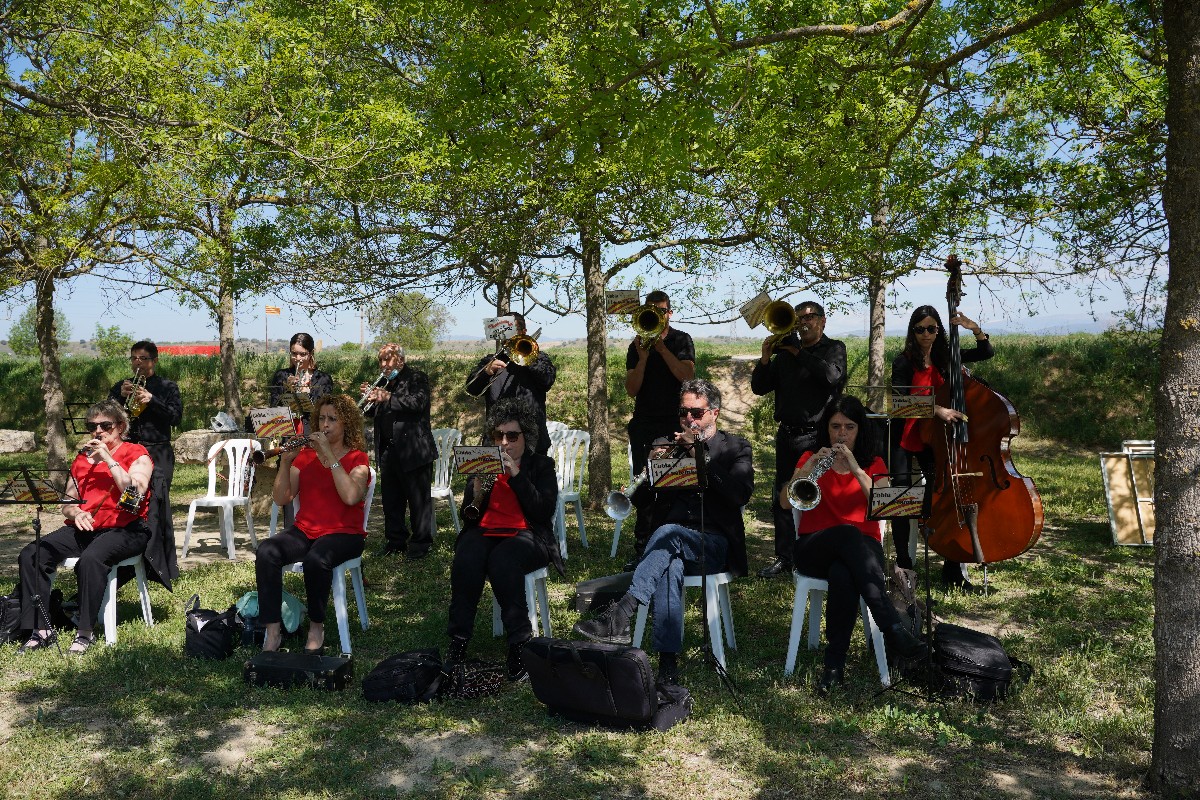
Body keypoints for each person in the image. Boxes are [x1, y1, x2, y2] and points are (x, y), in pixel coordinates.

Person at [573, 379, 751, 685]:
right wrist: (647, 475)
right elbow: (643, 502)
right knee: (670, 563)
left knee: (670, 534)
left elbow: (739, 494)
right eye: (683, 412)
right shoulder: (665, 444)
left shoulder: (735, 447)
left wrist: (699, 455)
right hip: (668, 546)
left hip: (713, 544)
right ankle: (668, 665)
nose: (689, 419)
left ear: (714, 413)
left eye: (696, 413)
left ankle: (622, 613)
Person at [785, 395, 928, 692]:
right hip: (814, 547)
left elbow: (884, 506)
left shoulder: (874, 463)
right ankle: (892, 627)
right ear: (826, 428)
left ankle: (833, 667)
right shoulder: (811, 458)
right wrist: (809, 465)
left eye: (849, 427)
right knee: (849, 534)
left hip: (863, 552)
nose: (842, 434)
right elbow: (786, 503)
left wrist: (855, 468)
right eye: (835, 426)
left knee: (843, 573)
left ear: (860, 430)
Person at [15, 400, 155, 654]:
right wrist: (77, 512)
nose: (98, 431)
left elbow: (135, 493)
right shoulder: (81, 459)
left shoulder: (137, 453)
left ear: (120, 426)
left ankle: (85, 632)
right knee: (32, 553)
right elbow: (68, 503)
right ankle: (40, 629)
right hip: (85, 528)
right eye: (92, 426)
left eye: (105, 425)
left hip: (126, 528)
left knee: (91, 559)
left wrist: (109, 459)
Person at [444, 398, 561, 682]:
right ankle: (458, 641)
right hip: (485, 530)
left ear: (526, 436)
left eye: (512, 436)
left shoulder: (542, 465)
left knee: (503, 560)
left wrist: (516, 475)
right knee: (467, 557)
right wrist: (475, 491)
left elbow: (543, 511)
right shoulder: (485, 463)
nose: (505, 442)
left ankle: (519, 644)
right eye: (499, 436)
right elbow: (470, 515)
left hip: (528, 534)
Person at [255, 394, 371, 653]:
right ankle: (273, 631)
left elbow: (351, 496)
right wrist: (286, 462)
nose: (325, 424)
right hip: (306, 530)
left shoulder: (358, 458)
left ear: (346, 423)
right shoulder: (306, 456)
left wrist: (328, 454)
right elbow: (281, 498)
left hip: (346, 533)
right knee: (267, 551)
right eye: (321, 418)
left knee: (316, 560)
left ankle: (316, 626)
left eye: (333, 419)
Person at [890, 305, 994, 592]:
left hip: (937, 438)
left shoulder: (947, 356)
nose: (926, 334)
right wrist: (936, 409)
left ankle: (952, 568)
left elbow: (986, 353)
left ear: (939, 330)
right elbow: (898, 402)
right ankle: (904, 565)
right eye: (920, 329)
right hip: (906, 435)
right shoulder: (903, 362)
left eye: (931, 328)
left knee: (948, 497)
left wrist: (975, 329)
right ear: (912, 331)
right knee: (901, 496)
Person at [750, 300, 847, 578]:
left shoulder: (834, 348)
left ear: (822, 321)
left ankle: (816, 554)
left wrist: (797, 351)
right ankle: (784, 557)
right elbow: (759, 387)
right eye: (799, 318)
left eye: (809, 317)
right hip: (788, 434)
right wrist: (765, 358)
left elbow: (831, 377)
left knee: (816, 496)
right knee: (783, 494)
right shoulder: (785, 356)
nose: (804, 323)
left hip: (817, 437)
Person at [623, 290, 696, 563]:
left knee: (671, 484)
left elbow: (687, 377)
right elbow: (632, 389)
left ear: (670, 313)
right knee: (643, 486)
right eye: (651, 310)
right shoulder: (636, 345)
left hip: (673, 422)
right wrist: (643, 357)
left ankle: (670, 545)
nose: (657, 315)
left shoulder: (681, 339)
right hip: (644, 422)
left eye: (661, 310)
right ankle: (642, 548)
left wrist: (662, 348)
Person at [107, 340, 181, 591]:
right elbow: (106, 416)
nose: (137, 363)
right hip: (129, 451)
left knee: (157, 505)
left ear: (154, 360)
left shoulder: (167, 387)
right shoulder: (122, 386)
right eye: (134, 358)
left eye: (143, 358)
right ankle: (130, 558)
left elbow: (176, 417)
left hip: (157, 450)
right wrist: (119, 397)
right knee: (130, 503)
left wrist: (152, 400)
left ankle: (161, 564)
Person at [361, 344, 437, 559]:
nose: (383, 364)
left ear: (400, 360)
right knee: (391, 500)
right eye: (381, 360)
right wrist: (369, 399)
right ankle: (395, 542)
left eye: (388, 359)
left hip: (414, 449)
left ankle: (420, 544)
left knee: (418, 500)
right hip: (388, 449)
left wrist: (387, 397)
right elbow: (372, 414)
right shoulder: (383, 382)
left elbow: (417, 403)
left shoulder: (416, 377)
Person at [465, 312, 556, 456]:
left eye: (512, 331)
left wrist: (528, 358)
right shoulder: (491, 361)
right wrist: (486, 372)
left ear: (523, 332)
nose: (507, 336)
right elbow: (471, 389)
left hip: (532, 442)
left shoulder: (538, 358)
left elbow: (547, 381)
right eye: (504, 332)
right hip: (497, 440)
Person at [269, 332, 334, 430]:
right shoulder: (281, 376)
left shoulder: (323, 379)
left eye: (303, 354)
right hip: (287, 431)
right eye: (294, 353)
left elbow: (325, 412)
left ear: (311, 353)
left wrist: (308, 394)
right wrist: (287, 389)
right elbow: (274, 408)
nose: (298, 358)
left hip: (312, 432)